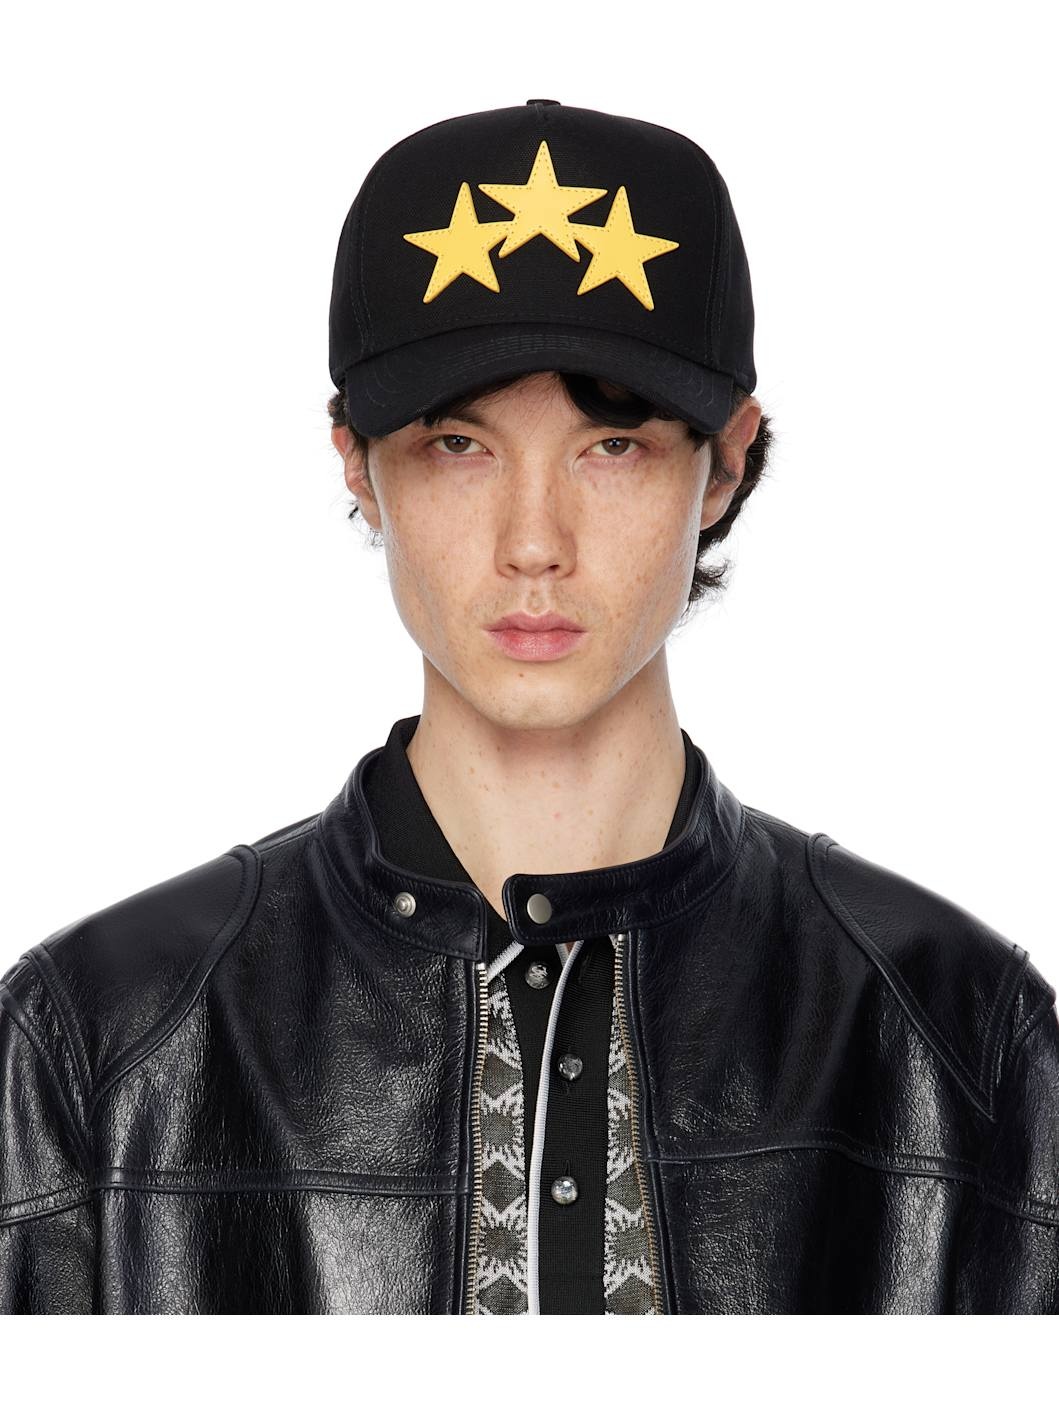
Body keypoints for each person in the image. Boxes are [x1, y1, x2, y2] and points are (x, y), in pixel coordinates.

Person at [2, 100, 1056, 1316]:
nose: (535, 542)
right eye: (460, 444)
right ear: (356, 462)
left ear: (725, 460)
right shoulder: (98, 1043)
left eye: (613, 445)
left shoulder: (956, 1038)